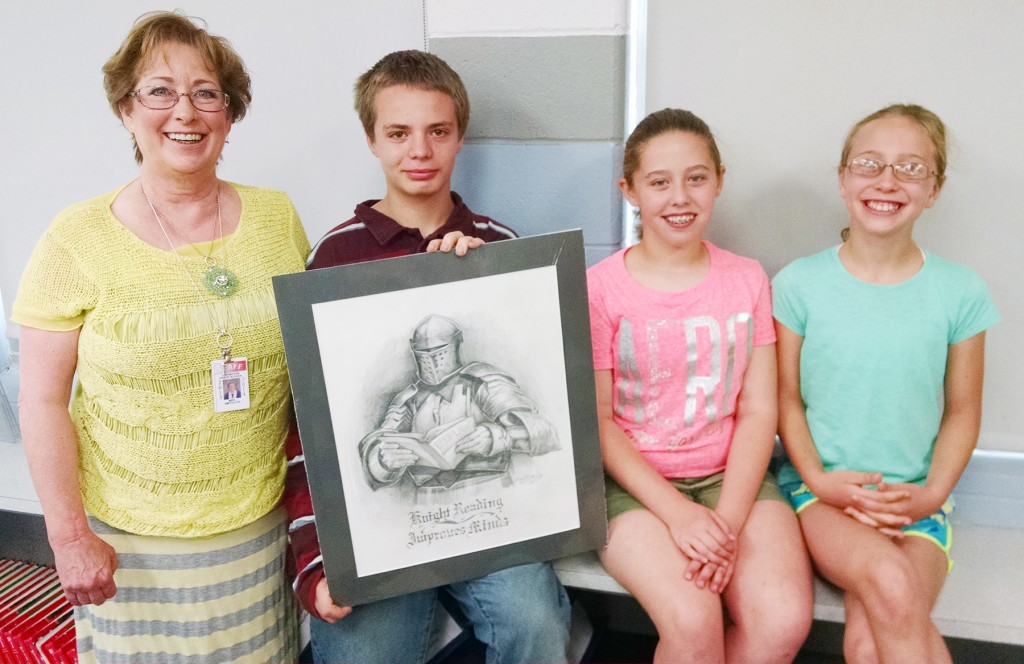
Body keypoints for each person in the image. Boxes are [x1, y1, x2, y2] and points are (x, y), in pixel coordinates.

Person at [13, 11, 309, 663]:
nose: (187, 110)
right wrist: (68, 539)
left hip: (257, 532)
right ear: (125, 108)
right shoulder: (76, 239)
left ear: (229, 115)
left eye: (208, 92)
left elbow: (315, 358)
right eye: (160, 90)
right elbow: (38, 401)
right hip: (128, 546)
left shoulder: (277, 218)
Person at [284, 50, 571, 664]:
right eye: (398, 133)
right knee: (362, 654)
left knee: (535, 622)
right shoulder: (333, 260)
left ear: (459, 138)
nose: (420, 150)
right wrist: (314, 558)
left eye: (437, 131)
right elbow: (310, 428)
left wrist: (482, 281)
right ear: (371, 140)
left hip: (490, 519)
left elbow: (545, 426)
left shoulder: (501, 248)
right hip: (387, 529)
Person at [773, 103, 1001, 664]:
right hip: (823, 496)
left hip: (917, 501)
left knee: (869, 645)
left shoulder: (961, 293)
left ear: (935, 189)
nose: (887, 181)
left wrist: (930, 494)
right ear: (844, 177)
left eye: (911, 168)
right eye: (870, 164)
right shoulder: (798, 284)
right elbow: (786, 401)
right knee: (892, 588)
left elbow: (962, 411)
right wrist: (823, 484)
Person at [587, 108, 813, 663]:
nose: (680, 197)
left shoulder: (747, 278)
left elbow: (760, 410)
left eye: (696, 177)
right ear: (631, 191)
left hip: (731, 477)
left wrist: (726, 524)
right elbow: (598, 420)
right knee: (693, 620)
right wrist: (681, 515)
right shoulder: (599, 288)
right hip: (631, 487)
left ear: (719, 179)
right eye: (659, 182)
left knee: (782, 623)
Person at [360, 314, 559, 492]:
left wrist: (498, 437)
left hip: (490, 488)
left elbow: (544, 432)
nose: (431, 358)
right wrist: (383, 460)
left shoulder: (482, 381)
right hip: (427, 500)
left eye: (438, 349)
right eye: (423, 351)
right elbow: (379, 443)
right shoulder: (408, 397)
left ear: (455, 344)